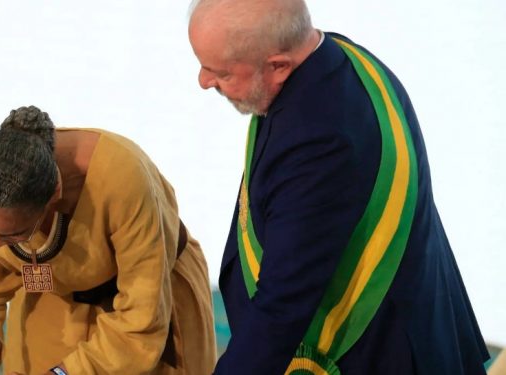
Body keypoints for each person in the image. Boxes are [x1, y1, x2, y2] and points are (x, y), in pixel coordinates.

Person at [187, 0, 490, 373]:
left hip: (376, 355)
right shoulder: (339, 57)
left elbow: (283, 305)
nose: (203, 81)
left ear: (278, 65)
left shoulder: (319, 140)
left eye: (219, 72)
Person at [0, 106, 216, 375]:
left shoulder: (122, 181)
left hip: (147, 303)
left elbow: (141, 321)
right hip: (50, 299)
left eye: (13, 234)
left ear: (55, 193)